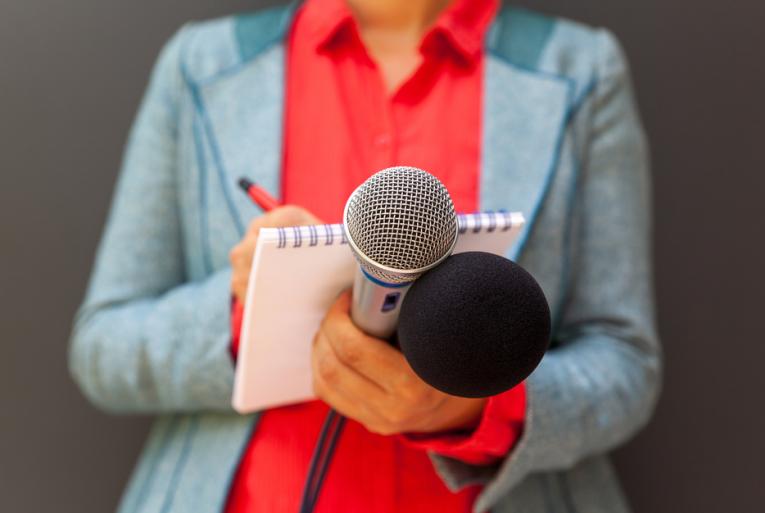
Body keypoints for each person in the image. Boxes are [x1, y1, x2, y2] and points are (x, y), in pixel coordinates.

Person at [69, 0, 661, 512]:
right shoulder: (200, 66)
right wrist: (246, 306)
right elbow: (103, 347)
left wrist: (465, 408)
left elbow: (624, 364)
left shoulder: (583, 70)